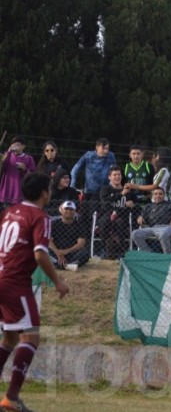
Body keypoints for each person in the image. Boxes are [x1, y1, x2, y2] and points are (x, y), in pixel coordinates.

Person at [0, 173, 70, 412]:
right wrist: (58, 281)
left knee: (9, 338)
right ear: (44, 194)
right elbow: (40, 253)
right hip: (15, 282)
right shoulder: (41, 217)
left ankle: (10, 397)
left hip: (1, 277)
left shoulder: (9, 211)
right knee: (30, 337)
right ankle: (11, 397)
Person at [98, 166, 135, 260]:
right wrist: (121, 194)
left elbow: (135, 205)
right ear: (109, 177)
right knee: (104, 221)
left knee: (120, 222)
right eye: (114, 175)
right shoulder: (105, 189)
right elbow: (105, 205)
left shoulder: (129, 190)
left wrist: (132, 205)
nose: (117, 177)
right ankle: (104, 249)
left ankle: (120, 251)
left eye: (119, 174)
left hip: (123, 216)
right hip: (108, 215)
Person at [131, 187, 171, 253]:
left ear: (164, 195)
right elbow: (142, 217)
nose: (158, 195)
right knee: (135, 234)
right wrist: (140, 218)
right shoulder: (148, 206)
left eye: (160, 194)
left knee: (163, 235)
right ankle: (149, 253)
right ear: (152, 195)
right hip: (151, 228)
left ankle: (167, 256)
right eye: (155, 194)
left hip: (166, 227)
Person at [49, 200, 89, 268]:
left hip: (71, 253)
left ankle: (59, 264)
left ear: (75, 211)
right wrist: (57, 252)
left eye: (71, 209)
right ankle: (67, 265)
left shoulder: (79, 225)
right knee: (43, 249)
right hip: (56, 251)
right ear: (61, 210)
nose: (68, 211)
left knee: (85, 253)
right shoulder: (54, 224)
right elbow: (49, 241)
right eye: (66, 209)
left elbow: (81, 243)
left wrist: (65, 252)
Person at [0, 137, 36, 205]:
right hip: (6, 193)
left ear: (23, 146)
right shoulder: (8, 156)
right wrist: (8, 151)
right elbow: (2, 167)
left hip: (20, 194)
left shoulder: (28, 158)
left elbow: (33, 175)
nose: (15, 147)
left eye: (18, 145)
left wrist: (25, 169)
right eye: (14, 145)